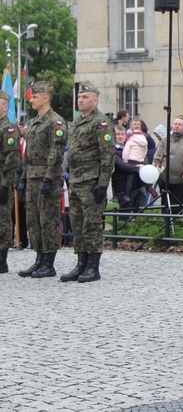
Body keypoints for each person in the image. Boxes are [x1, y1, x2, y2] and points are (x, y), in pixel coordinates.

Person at [62, 83, 115, 283]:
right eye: (79, 97)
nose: (81, 100)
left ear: (95, 100)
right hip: (75, 179)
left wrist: (102, 184)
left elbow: (107, 154)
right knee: (77, 223)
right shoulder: (76, 123)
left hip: (92, 180)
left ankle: (93, 266)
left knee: (91, 223)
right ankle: (81, 262)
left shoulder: (101, 123)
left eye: (85, 97)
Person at [17, 82, 67, 278]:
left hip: (48, 176)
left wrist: (49, 178)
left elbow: (56, 153)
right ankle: (39, 258)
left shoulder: (56, 122)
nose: (31, 99)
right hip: (32, 175)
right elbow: (27, 153)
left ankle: (49, 261)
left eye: (34, 97)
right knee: (33, 219)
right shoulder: (32, 123)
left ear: (46, 98)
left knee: (48, 219)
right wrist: (22, 177)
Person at [152, 116, 183, 214]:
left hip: (180, 181)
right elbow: (157, 158)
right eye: (175, 124)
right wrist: (153, 171)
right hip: (164, 180)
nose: (177, 126)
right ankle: (165, 227)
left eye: (179, 124)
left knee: (176, 210)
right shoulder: (165, 140)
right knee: (165, 209)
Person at [0, 91, 20, 273]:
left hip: (2, 179)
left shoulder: (8, 128)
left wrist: (6, 184)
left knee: (3, 219)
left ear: (5, 107)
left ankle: (2, 258)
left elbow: (12, 158)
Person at [112, 124, 145, 208]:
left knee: (141, 214)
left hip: (138, 185)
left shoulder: (131, 145)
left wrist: (143, 164)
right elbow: (121, 165)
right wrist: (137, 168)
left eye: (122, 134)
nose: (120, 136)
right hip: (122, 186)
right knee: (125, 215)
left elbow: (143, 157)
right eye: (117, 134)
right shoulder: (111, 150)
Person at [121, 117, 148, 203]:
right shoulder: (144, 137)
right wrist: (143, 158)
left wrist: (125, 160)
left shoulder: (131, 138)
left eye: (138, 124)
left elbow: (126, 150)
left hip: (132, 160)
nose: (136, 125)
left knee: (130, 179)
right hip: (140, 160)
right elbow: (145, 149)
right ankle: (149, 188)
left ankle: (126, 195)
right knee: (142, 178)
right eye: (135, 124)